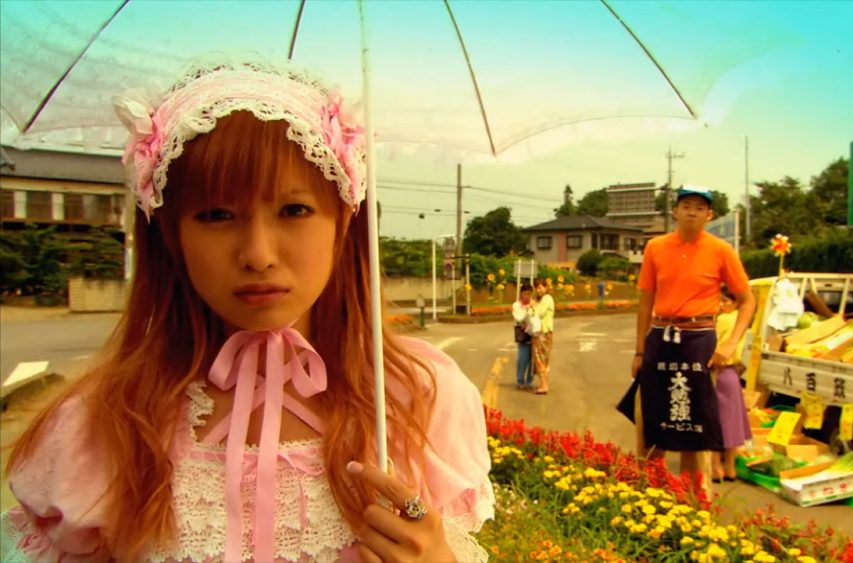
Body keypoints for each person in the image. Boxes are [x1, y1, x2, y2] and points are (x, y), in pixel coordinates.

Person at [0, 57, 493, 562]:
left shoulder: (417, 401)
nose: (257, 253)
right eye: (216, 215)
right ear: (171, 235)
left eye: (294, 210)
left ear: (344, 224)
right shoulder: (104, 424)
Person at [630, 185, 755, 490]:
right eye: (686, 205)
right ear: (675, 211)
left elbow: (747, 300)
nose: (692, 211)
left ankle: (692, 496)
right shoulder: (656, 247)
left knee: (693, 423)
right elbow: (645, 301)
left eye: (700, 207)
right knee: (653, 414)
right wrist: (639, 351)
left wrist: (730, 342)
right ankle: (649, 490)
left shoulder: (721, 251)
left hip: (700, 339)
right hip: (661, 335)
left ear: (709, 215)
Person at [711, 285, 752, 482]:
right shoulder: (742, 321)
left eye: (725, 301)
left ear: (735, 302)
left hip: (717, 373)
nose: (720, 305)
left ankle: (715, 467)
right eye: (719, 301)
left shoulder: (722, 320)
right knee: (733, 422)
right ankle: (730, 469)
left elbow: (714, 345)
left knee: (714, 420)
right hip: (733, 375)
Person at [531, 278, 555, 395]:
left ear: (545, 288)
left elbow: (539, 313)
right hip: (545, 332)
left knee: (540, 358)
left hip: (543, 332)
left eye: (540, 287)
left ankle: (544, 386)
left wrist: (532, 306)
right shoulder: (543, 299)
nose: (538, 290)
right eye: (537, 287)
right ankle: (544, 384)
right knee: (543, 359)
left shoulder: (546, 299)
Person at [511, 283, 535, 390]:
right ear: (521, 294)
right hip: (523, 334)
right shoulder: (516, 305)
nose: (527, 296)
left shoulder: (534, 304)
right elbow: (519, 318)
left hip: (534, 333)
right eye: (525, 294)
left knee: (532, 359)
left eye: (529, 294)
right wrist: (526, 310)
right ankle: (520, 380)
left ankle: (529, 381)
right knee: (522, 358)